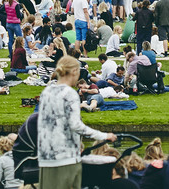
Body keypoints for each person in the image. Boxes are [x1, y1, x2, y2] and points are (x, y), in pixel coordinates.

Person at [37, 56, 115, 189]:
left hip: (46, 158)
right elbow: (76, 125)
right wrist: (104, 136)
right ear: (74, 72)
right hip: (66, 158)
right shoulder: (70, 94)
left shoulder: (47, 92)